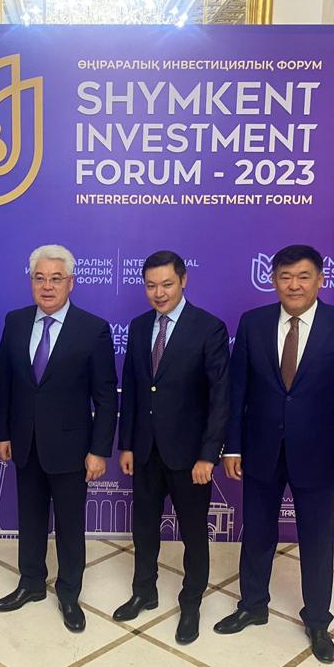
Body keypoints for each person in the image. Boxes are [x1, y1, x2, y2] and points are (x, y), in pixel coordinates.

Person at [214, 244, 334, 664]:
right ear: (273, 281)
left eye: (303, 276)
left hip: (320, 455)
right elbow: (237, 392)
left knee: (317, 541)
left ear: (320, 280)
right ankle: (252, 605)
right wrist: (233, 446)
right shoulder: (253, 323)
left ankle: (317, 620)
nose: (294, 285)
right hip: (260, 450)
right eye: (285, 277)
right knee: (257, 533)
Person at [0, 244, 118, 633]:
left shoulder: (92, 328)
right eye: (40, 278)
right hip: (24, 443)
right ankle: (30, 583)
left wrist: (99, 451)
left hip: (71, 448)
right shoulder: (15, 321)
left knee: (69, 525)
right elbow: (4, 383)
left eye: (56, 278)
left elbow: (105, 397)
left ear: (71, 283)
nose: (47, 286)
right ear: (31, 281)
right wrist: (1, 433)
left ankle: (68, 593)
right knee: (29, 519)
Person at [115, 250, 229, 645]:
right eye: (151, 285)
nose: (158, 293)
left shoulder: (209, 328)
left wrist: (208, 455)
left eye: (166, 284)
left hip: (190, 456)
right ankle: (144, 591)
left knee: (194, 534)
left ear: (183, 281)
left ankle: (191, 602)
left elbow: (220, 398)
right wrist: (126, 444)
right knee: (144, 528)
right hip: (145, 451)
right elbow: (133, 389)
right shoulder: (138, 326)